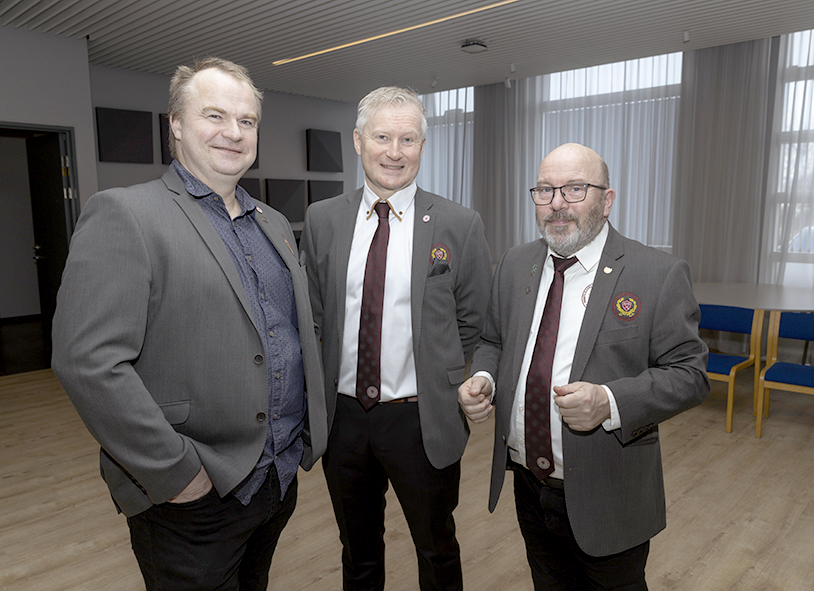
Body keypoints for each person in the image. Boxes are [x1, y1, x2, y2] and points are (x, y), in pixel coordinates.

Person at [51, 57, 327, 591]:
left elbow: (282, 333)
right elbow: (87, 361)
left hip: (275, 479)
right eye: (214, 115)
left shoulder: (272, 222)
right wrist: (175, 474)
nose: (233, 132)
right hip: (192, 495)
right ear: (175, 124)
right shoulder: (126, 214)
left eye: (246, 121)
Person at [459, 143, 709, 590]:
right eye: (545, 190)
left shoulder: (657, 273)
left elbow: (690, 374)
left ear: (606, 200)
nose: (557, 203)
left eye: (574, 189)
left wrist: (610, 401)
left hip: (608, 490)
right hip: (529, 485)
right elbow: (493, 340)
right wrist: (484, 377)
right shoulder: (515, 263)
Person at [301, 86, 492, 590]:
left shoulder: (459, 224)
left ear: (422, 147)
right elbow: (314, 318)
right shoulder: (322, 220)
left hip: (420, 420)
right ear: (358, 141)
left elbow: (474, 322)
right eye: (382, 137)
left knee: (436, 548)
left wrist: (445, 374)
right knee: (357, 552)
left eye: (408, 139)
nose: (395, 151)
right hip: (343, 419)